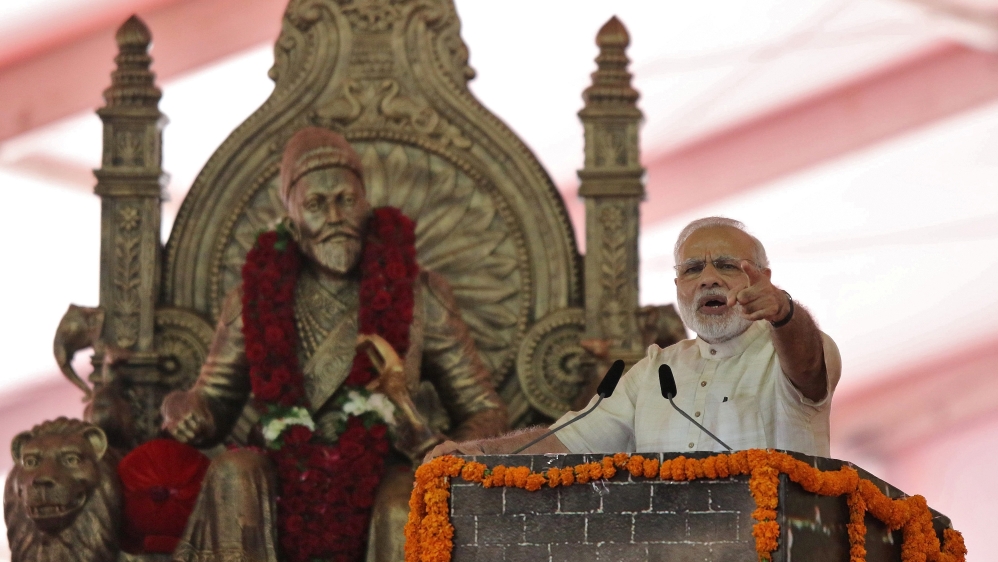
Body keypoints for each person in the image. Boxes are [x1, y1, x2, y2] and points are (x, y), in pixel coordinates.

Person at [161, 127, 508, 562]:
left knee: (405, 505)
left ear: (367, 205)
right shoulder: (253, 299)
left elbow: (484, 409)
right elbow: (212, 400)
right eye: (316, 204)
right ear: (291, 219)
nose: (335, 216)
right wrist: (183, 408)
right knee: (233, 471)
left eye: (346, 200)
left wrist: (450, 453)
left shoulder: (420, 293)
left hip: (385, 466)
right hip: (285, 469)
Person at [425, 217, 841, 461]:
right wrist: (476, 455)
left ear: (763, 278)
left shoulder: (786, 350)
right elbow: (565, 441)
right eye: (693, 269)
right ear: (678, 286)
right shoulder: (654, 374)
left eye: (727, 265)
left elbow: (806, 367)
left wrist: (784, 312)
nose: (708, 278)